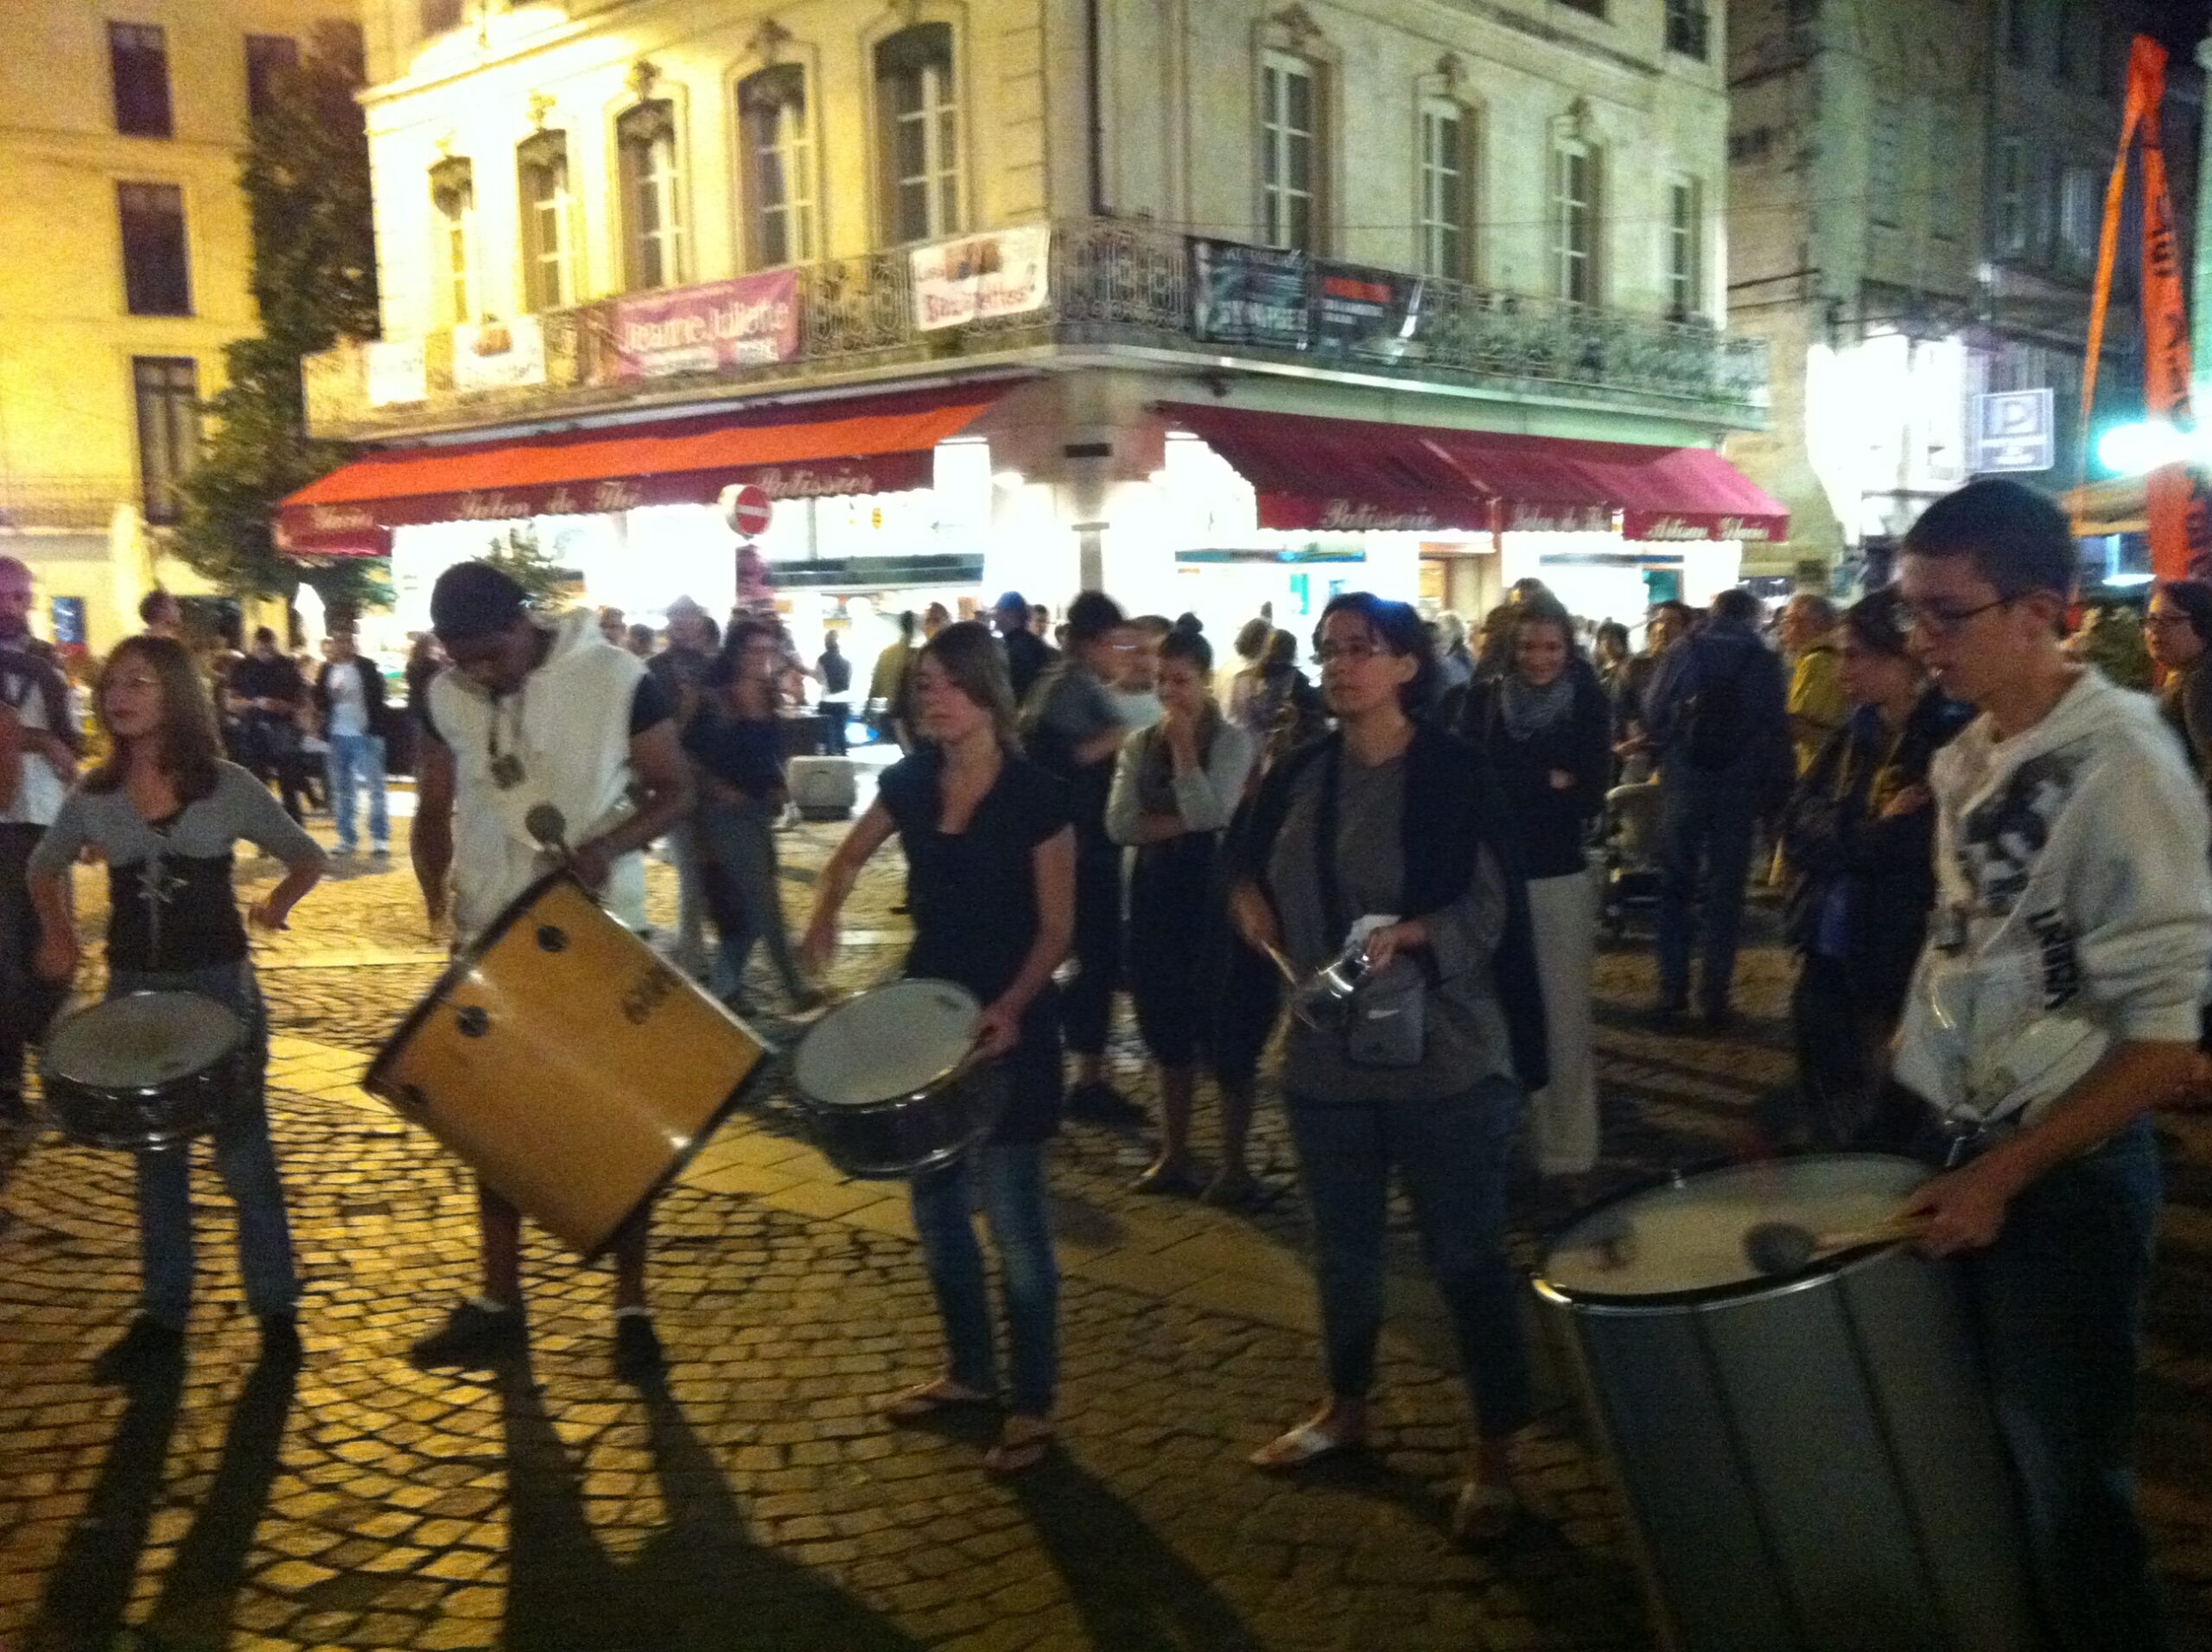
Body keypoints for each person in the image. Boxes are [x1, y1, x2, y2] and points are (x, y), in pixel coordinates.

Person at [1887, 479, 2212, 1651]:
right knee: (1978, 1464)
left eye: (1944, 614)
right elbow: (1974, 939)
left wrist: (2005, 1175)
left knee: (2075, 1494)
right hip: (1968, 1142)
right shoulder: (1967, 754)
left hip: (2063, 1180)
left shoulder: (2126, 762)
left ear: (2040, 610)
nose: (1920, 641)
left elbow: (2164, 1040)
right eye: (1910, 613)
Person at [1227, 593, 1546, 1542]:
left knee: (1464, 1257)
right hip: (1324, 1057)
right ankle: (1345, 1406)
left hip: (1443, 1059)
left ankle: (1494, 1450)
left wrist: (1412, 936)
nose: (1340, 665)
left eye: (1362, 649)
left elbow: (1490, 911)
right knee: (1345, 1249)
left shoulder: (1454, 772)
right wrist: (1247, 902)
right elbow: (1242, 864)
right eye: (1330, 650)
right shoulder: (1300, 769)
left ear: (1408, 665)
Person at [406, 562, 694, 1379]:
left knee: (619, 1126)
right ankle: (500, 1302)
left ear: (523, 619)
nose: (481, 673)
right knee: (496, 1132)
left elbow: (676, 790)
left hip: (598, 931)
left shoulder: (615, 677)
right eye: (464, 660)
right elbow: (435, 806)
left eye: (491, 653)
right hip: (490, 935)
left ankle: (632, 1307)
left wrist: (608, 847)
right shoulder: (443, 691)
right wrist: (439, 904)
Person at [801, 621, 1075, 1475]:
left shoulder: (1037, 794)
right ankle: (968, 1371)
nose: (930, 696)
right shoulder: (912, 781)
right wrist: (824, 912)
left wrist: (1017, 1003)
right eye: (922, 683)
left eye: (945, 682)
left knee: (1018, 1222)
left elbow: (1060, 926)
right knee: (936, 1212)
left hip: (1009, 1017)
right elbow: (844, 859)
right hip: (930, 1013)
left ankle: (1031, 1403)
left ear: (985, 692)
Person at [29, 635, 324, 1374]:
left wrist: (278, 904)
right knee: (155, 1161)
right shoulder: (94, 798)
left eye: (141, 683)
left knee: (244, 1154)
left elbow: (306, 854)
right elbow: (42, 866)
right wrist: (60, 936)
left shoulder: (225, 785)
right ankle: (163, 1316)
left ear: (177, 697)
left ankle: (277, 1311)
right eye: (113, 685)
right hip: (135, 991)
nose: (120, 696)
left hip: (219, 987)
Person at [1776, 588, 1968, 1149]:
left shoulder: (1952, 744)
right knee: (1829, 1105)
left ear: (1905, 660)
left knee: (1895, 1118)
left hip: (1902, 959)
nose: (1842, 672)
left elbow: (1915, 853)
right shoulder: (1854, 736)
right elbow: (1796, 826)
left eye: (1856, 656)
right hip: (1828, 947)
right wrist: (1868, 831)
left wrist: (1857, 835)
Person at [1456, 598, 1611, 1185]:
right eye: (1528, 647)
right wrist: (1546, 779)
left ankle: (1565, 1146)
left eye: (1551, 647)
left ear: (1568, 649)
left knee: (1561, 1011)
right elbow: (1472, 781)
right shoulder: (1484, 700)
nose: (1539, 659)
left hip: (1556, 874)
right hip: (1489, 873)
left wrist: (1518, 780)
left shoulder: (1588, 701)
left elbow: (1592, 791)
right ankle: (1497, 1137)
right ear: (1509, 648)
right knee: (1488, 1009)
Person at [1106, 627, 1258, 1198]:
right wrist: (1188, 820)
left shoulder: (1235, 742)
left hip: (1216, 895)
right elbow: (1118, 824)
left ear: (1204, 679)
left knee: (1227, 1029)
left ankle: (1235, 1163)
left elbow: (1214, 811)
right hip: (1155, 894)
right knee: (1165, 1024)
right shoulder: (1136, 744)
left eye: (1182, 681)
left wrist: (1187, 753)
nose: (1171, 693)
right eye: (1162, 680)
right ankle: (1174, 1152)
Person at [1641, 587, 1789, 1027]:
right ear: (1751, 617)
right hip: (1738, 790)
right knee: (1727, 894)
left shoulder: (1682, 650)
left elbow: (1653, 710)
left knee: (1675, 887)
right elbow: (1774, 729)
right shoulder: (1764, 660)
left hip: (1685, 782)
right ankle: (1715, 997)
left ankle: (1671, 990)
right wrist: (1773, 795)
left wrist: (1676, 743)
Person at [1020, 590, 1135, 1121]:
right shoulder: (1073, 687)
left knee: (1082, 955)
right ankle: (1083, 1078)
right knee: (1096, 957)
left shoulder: (1060, 683)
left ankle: (1075, 1068)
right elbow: (1059, 759)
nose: (1121, 652)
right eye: (1115, 641)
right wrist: (1122, 736)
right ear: (1092, 641)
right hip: (1083, 847)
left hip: (1076, 842)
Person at [687, 620, 820, 1014]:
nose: (761, 659)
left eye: (767, 651)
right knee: (765, 902)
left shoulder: (766, 694)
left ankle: (725, 988)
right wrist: (716, 788)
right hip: (724, 813)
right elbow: (688, 756)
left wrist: (777, 783)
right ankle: (795, 986)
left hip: (758, 809)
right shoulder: (715, 699)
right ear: (735, 652)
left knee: (748, 906)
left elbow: (766, 751)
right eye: (753, 651)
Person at [0, 556, 82, 1121]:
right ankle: (8, 1083)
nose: (13, 607)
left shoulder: (45, 663)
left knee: (55, 950)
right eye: (4, 596)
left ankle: (41, 1050)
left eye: (21, 597)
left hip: (47, 819)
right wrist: (39, 741)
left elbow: (71, 738)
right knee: (5, 958)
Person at [645, 597, 721, 975]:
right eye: (676, 619)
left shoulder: (715, 666)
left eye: (690, 619)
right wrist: (689, 708)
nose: (683, 626)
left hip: (721, 786)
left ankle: (721, 955)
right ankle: (693, 960)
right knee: (692, 875)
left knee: (720, 875)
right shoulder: (654, 672)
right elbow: (657, 738)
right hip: (679, 785)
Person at [313, 629, 391, 858]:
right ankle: (346, 837)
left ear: (354, 644)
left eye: (347, 641)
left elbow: (379, 695)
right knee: (343, 789)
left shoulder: (366, 667)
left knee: (376, 787)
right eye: (339, 642)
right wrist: (329, 696)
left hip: (366, 734)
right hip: (337, 734)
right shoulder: (327, 669)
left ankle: (379, 837)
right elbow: (319, 699)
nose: (343, 646)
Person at [226, 627, 310, 823]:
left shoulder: (287, 665)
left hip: (283, 727)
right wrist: (257, 703)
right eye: (262, 648)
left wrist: (286, 707)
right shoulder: (243, 667)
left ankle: (294, 825)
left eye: (269, 648)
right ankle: (263, 831)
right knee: (258, 782)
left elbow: (302, 698)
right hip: (253, 728)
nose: (266, 652)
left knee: (288, 781)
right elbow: (230, 702)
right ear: (254, 645)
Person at [2145, 578, 2212, 799]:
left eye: (2170, 619)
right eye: (2151, 620)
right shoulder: (2181, 674)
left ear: (2203, 625)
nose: (2155, 630)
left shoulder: (2200, 682)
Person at [1779, 594, 1846, 777]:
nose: (1784, 629)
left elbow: (1798, 725)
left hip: (1819, 767)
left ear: (1809, 624)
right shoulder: (1834, 656)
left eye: (1788, 621)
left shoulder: (1815, 662)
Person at [993, 590, 1058, 705]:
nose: (995, 617)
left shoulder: (1016, 648)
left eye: (998, 611)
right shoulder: (1032, 643)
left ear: (1010, 614)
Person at [868, 610, 921, 750]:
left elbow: (875, 686)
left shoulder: (887, 654)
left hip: (890, 714)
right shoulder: (920, 654)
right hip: (914, 716)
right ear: (914, 626)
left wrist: (867, 712)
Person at [815, 628, 853, 756]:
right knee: (841, 736)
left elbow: (819, 680)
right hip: (843, 703)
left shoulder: (821, 660)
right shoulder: (847, 663)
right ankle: (843, 761)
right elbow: (847, 683)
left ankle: (830, 763)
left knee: (829, 739)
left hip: (827, 704)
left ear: (826, 643)